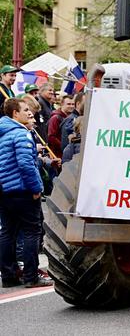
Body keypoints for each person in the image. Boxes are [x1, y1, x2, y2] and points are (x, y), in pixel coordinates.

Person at [0, 98, 52, 288]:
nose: (29, 113)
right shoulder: (21, 134)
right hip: (23, 190)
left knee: (7, 233)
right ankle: (31, 276)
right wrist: (36, 188)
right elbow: (26, 164)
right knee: (31, 232)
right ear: (15, 113)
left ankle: (8, 275)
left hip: (4, 190)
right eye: (25, 109)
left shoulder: (3, 133)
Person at [47, 94, 74, 158]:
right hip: (58, 154)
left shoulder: (72, 118)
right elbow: (51, 137)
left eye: (73, 104)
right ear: (62, 104)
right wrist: (64, 146)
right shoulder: (55, 118)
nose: (71, 106)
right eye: (68, 104)